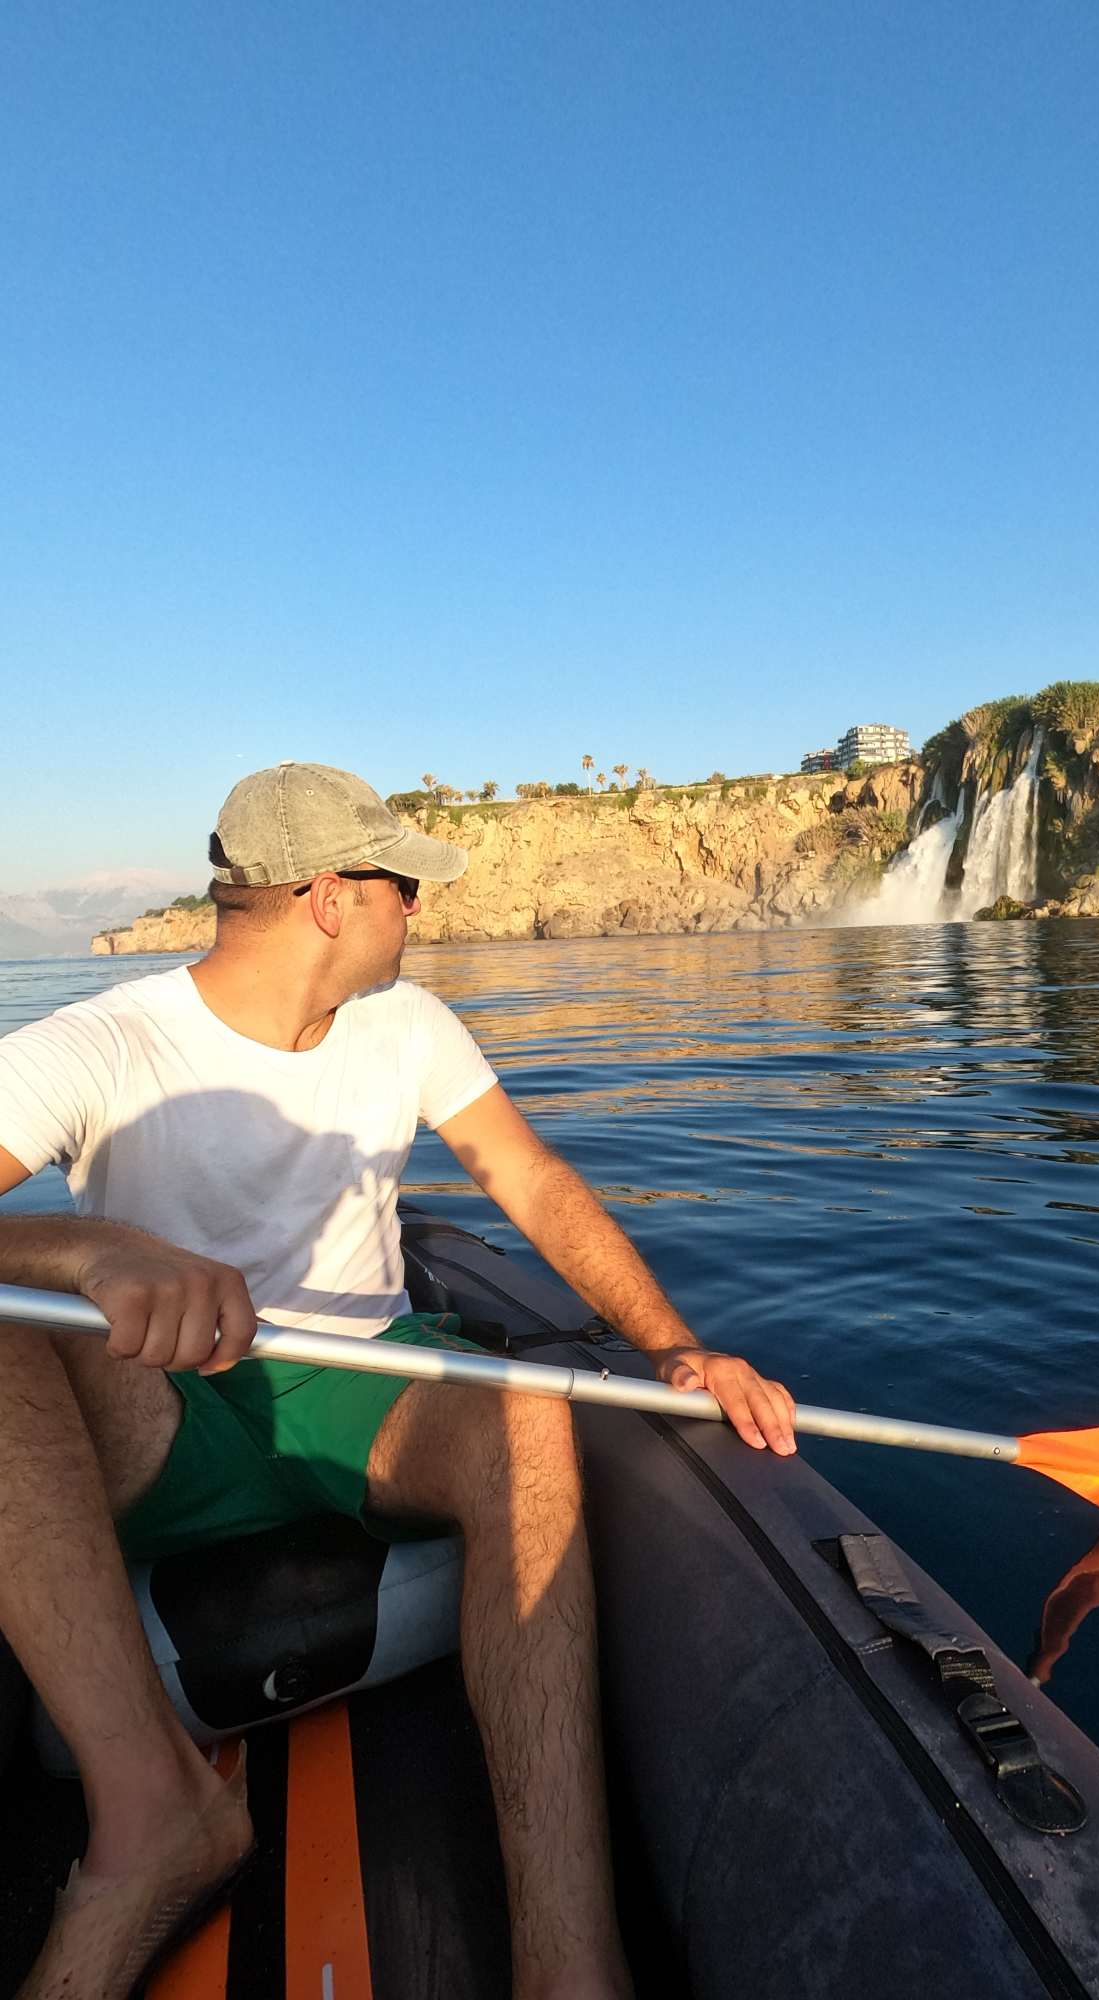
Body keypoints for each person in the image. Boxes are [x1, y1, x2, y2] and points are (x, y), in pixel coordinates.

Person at [0, 761, 797, 2000]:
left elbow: (529, 1181)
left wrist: (668, 1341)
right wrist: (87, 1245)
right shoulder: (107, 1041)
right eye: (401, 887)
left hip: (366, 1388)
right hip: (168, 1409)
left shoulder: (409, 1025)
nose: (416, 910)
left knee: (531, 1407)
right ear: (329, 895)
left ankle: (570, 1967)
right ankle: (148, 1806)